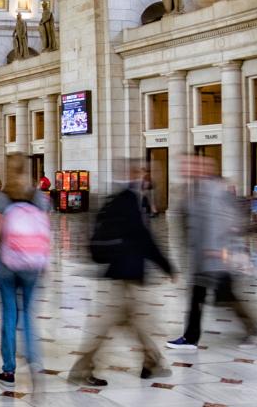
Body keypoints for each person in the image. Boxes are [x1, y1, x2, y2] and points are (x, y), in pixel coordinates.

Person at [68, 163, 173, 387]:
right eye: (143, 172)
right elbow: (143, 238)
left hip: (123, 270)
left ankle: (151, 362)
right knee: (113, 321)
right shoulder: (129, 200)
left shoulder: (124, 199)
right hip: (126, 270)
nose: (147, 176)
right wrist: (166, 266)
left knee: (135, 319)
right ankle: (82, 368)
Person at [166, 156, 257, 351]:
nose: (186, 170)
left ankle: (254, 330)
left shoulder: (216, 191)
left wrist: (217, 251)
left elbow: (226, 222)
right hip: (203, 259)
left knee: (227, 297)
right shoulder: (194, 191)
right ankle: (190, 338)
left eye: (190, 166)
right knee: (197, 297)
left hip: (217, 258)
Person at [0, 153, 50, 387]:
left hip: (6, 263)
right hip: (33, 264)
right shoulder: (40, 198)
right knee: (29, 314)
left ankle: (9, 370)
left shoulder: (0, 198)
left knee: (10, 313)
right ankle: (34, 363)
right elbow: (44, 229)